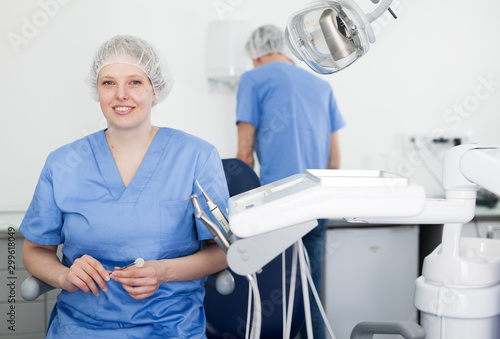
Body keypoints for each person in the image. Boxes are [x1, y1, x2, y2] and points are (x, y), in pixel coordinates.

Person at [20, 35, 230, 338]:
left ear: (155, 89)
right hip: (82, 327)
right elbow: (35, 250)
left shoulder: (196, 157)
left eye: (135, 82)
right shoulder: (63, 163)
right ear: (97, 89)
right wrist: (65, 275)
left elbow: (223, 251)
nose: (121, 95)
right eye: (108, 83)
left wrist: (164, 271)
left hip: (169, 327)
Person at [235, 25, 346, 339]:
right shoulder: (321, 85)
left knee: (270, 298)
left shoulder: (253, 78)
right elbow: (334, 163)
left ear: (256, 55)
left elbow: (244, 155)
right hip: (317, 203)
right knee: (310, 293)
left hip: (275, 207)